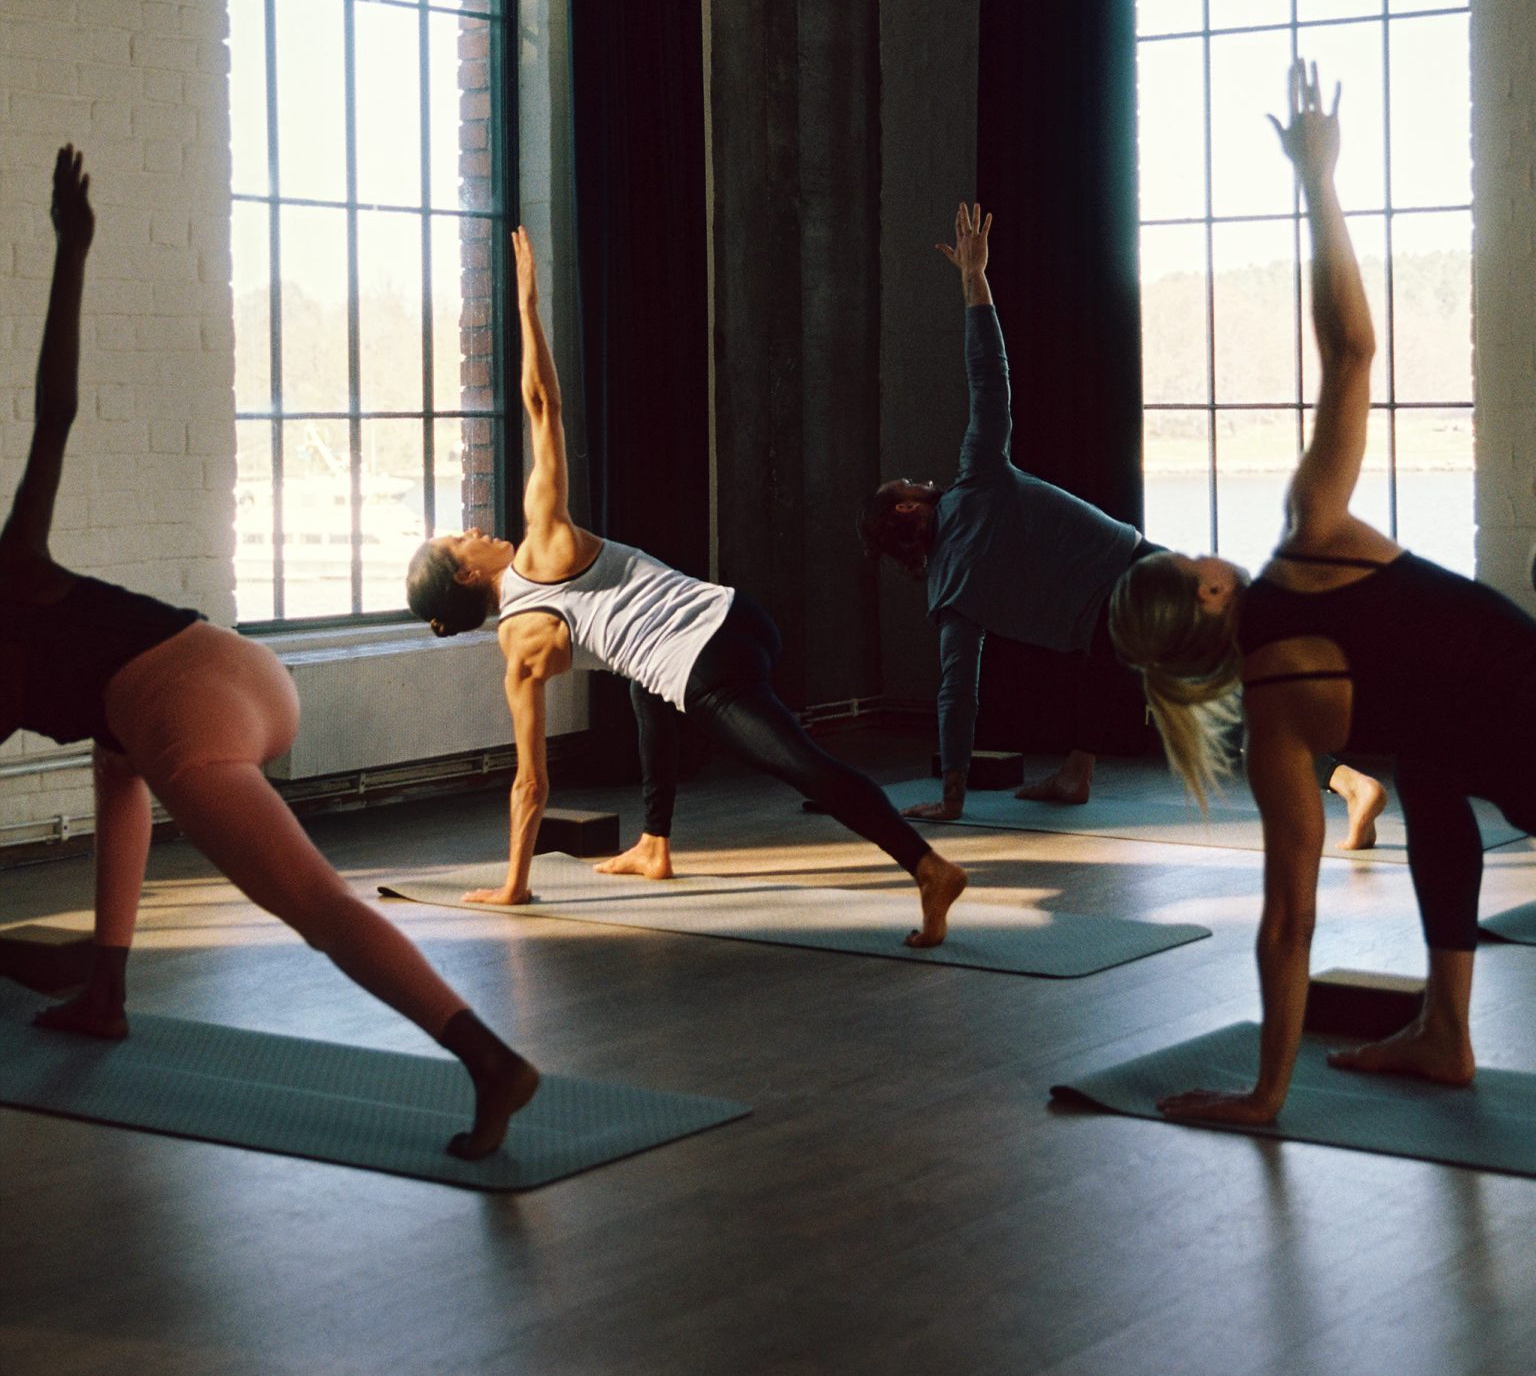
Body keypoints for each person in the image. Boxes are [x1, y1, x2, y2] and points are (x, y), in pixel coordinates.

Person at [0, 149, 535, 1161]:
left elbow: (56, 410)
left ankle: (488, 1058)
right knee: (115, 757)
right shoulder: (15, 567)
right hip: (236, 666)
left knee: (312, 903)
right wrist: (70, 249)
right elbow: (55, 420)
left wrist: (74, 252)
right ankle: (106, 985)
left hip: (186, 713)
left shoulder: (9, 574)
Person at [1109, 62, 1536, 1124]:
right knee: (1432, 768)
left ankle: (1443, 1031)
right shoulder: (1310, 537)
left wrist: (1267, 1093)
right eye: (1192, 556)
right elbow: (1351, 348)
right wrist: (1318, 179)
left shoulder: (1277, 724)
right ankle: (1444, 1033)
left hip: (1507, 742)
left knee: (1430, 767)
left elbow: (1287, 920)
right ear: (1211, 589)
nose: (1207, 552)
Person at [406, 228, 968, 947]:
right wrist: (526, 305)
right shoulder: (541, 545)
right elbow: (543, 405)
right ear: (466, 574)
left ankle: (928, 868)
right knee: (643, 680)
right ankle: (654, 843)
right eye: (460, 541)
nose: (472, 530)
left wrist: (516, 882)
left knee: (804, 767)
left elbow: (530, 782)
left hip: (708, 663)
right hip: (738, 616)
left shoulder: (519, 646)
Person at [859, 204, 1386, 848]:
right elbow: (988, 376)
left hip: (1109, 620)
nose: (919, 479)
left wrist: (952, 794)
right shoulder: (976, 480)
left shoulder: (949, 597)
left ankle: (1078, 774)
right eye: (907, 483)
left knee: (1177, 680)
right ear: (907, 509)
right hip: (1139, 579)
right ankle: (1348, 780)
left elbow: (956, 694)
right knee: (1217, 692)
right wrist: (975, 279)